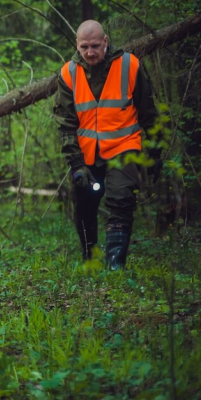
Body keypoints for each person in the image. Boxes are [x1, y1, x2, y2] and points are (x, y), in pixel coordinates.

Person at [54, 20, 162, 270]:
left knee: (121, 198)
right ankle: (91, 258)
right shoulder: (68, 73)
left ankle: (115, 264)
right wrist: (76, 164)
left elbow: (149, 113)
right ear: (77, 45)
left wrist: (155, 153)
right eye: (84, 47)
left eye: (95, 46)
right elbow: (66, 124)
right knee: (85, 207)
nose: (90, 52)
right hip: (86, 154)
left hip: (124, 148)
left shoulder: (129, 65)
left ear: (106, 41)